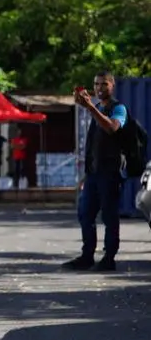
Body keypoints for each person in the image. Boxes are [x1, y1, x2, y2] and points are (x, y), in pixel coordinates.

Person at [63, 71, 126, 272]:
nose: (99, 88)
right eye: (96, 84)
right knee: (85, 214)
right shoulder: (97, 108)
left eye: (104, 84)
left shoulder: (119, 109)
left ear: (112, 86)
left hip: (110, 173)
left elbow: (112, 128)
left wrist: (90, 107)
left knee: (109, 217)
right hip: (93, 174)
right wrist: (86, 174)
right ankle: (87, 256)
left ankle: (109, 258)